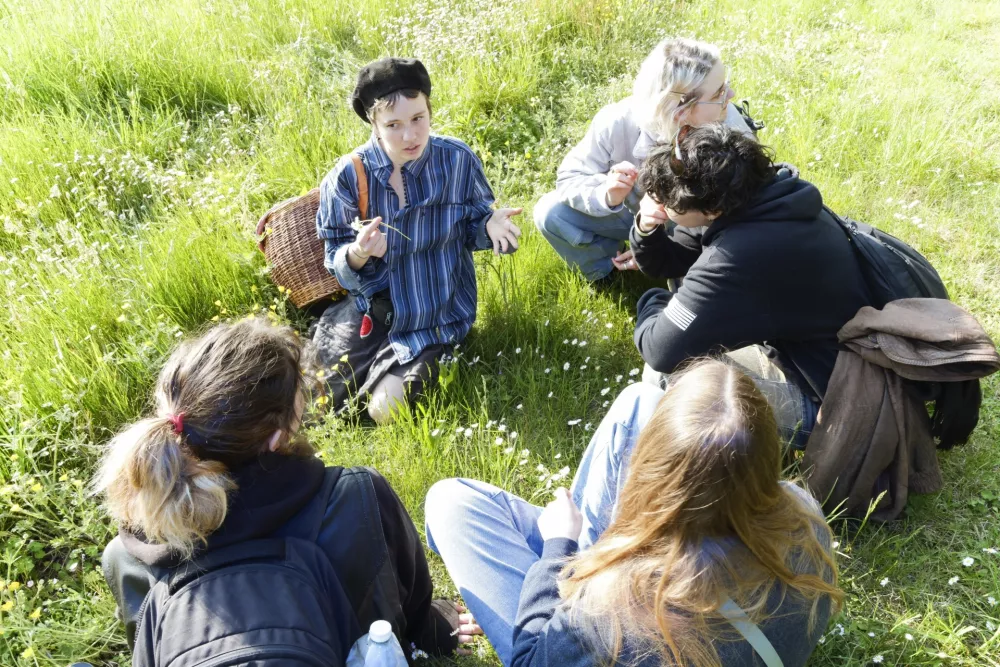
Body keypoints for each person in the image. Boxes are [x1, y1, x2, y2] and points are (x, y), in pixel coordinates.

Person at [96, 319, 482, 659]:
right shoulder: (356, 499)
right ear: (276, 438)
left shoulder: (128, 555)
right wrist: (436, 630)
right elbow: (410, 604)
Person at [425, 360, 842, 667]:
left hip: (616, 615)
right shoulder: (806, 518)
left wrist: (557, 547)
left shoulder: (609, 618)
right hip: (717, 609)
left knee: (450, 500)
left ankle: (562, 562)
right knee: (640, 399)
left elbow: (531, 661)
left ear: (649, 469)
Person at [631, 123, 871, 447]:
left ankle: (659, 468)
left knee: (673, 375)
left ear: (711, 210)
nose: (660, 204)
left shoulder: (736, 257)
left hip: (829, 405)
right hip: (842, 362)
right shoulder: (767, 196)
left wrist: (654, 301)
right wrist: (647, 228)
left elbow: (660, 351)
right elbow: (672, 261)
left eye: (669, 203)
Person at [314, 57, 522, 423]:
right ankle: (362, 354)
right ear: (373, 124)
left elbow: (473, 224)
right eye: (393, 125)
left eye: (418, 119)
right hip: (374, 313)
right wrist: (359, 254)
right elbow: (334, 257)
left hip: (435, 314)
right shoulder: (347, 176)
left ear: (429, 109)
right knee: (319, 401)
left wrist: (489, 228)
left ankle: (434, 357)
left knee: (382, 411)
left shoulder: (456, 160)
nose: (410, 136)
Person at [533, 37, 758, 282]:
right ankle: (605, 272)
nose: (731, 95)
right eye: (719, 93)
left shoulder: (732, 131)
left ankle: (680, 280)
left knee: (694, 286)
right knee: (550, 212)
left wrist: (652, 250)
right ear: (680, 110)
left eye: (725, 86)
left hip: (695, 226)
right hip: (630, 212)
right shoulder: (616, 121)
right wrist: (607, 196)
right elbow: (569, 177)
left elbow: (738, 223)